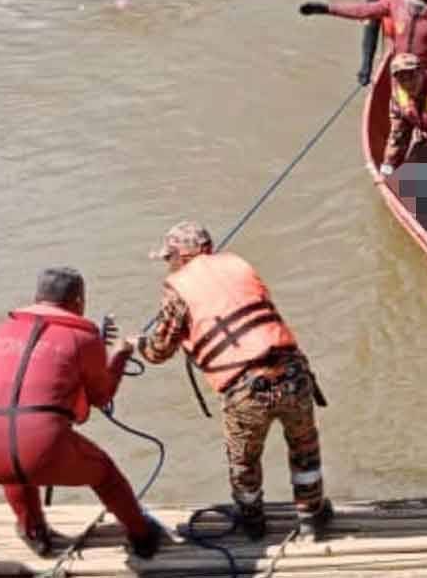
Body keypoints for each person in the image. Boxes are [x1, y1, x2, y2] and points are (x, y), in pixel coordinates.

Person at [127, 221, 332, 540]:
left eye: (170, 258)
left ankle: (252, 522)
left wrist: (136, 343)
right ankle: (312, 517)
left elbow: (159, 350)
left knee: (244, 460)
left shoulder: (177, 286)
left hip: (246, 387)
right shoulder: (239, 265)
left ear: (181, 256)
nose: (169, 264)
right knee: (305, 446)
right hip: (293, 372)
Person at [0, 267, 161, 559]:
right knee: (105, 475)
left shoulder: (5, 328)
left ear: (37, 298)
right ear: (79, 301)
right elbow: (101, 396)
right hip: (42, 447)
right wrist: (120, 354)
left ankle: (34, 531)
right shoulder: (84, 337)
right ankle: (142, 535)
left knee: (15, 468)